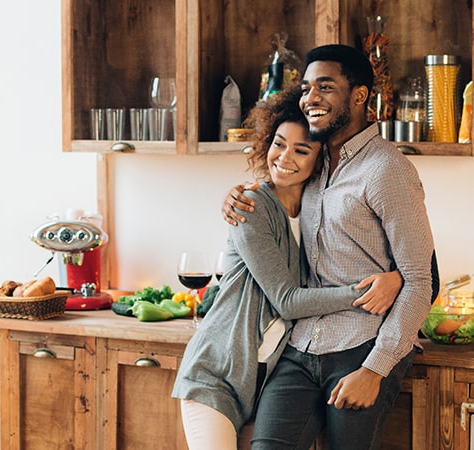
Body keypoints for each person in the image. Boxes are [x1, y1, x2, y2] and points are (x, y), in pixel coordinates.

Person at [221, 44, 435, 449]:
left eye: (325, 86)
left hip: (362, 347)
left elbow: (420, 280)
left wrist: (375, 370)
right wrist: (233, 195)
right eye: (305, 88)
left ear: (359, 95)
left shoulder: (388, 170)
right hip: (300, 347)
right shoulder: (316, 164)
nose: (310, 98)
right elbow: (273, 189)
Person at [171, 85, 403, 450]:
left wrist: (397, 276)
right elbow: (288, 301)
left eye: (301, 149)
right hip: (215, 376)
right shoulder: (251, 205)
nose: (284, 157)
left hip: (259, 381)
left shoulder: (315, 209)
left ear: (320, 159)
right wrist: (371, 290)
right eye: (279, 143)